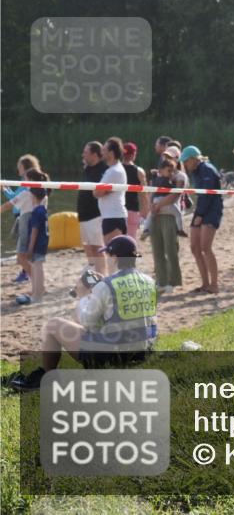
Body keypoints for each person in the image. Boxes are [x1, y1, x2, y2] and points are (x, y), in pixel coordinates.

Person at [11, 235, 156, 392]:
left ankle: (45, 378)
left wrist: (84, 297)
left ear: (114, 257)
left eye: (108, 256)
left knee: (52, 325)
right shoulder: (149, 281)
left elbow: (87, 323)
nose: (107, 260)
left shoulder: (107, 286)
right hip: (142, 352)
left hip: (114, 357)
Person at [180, 145, 223, 294]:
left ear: (193, 159)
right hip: (201, 209)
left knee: (206, 247)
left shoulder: (207, 170)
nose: (184, 164)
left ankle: (214, 284)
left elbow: (208, 196)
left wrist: (199, 215)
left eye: (186, 161)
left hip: (211, 210)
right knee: (194, 247)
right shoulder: (196, 171)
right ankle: (205, 283)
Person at [1, 155, 45, 285]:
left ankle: (28, 274)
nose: (17, 168)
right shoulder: (28, 184)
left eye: (19, 166)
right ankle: (29, 274)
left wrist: (4, 189)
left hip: (24, 216)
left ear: (25, 168)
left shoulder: (27, 185)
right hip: (23, 216)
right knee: (25, 247)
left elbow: (14, 199)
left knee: (23, 249)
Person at [12, 173, 50, 305]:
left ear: (33, 197)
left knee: (37, 268)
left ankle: (37, 295)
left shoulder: (36, 212)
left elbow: (34, 232)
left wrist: (30, 248)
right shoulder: (43, 210)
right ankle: (36, 291)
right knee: (37, 268)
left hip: (37, 245)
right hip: (43, 243)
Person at [147, 157, 184, 294]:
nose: (170, 171)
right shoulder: (157, 178)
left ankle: (172, 281)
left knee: (170, 249)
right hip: (156, 215)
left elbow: (174, 195)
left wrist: (158, 205)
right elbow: (152, 193)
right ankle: (161, 281)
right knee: (157, 249)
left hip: (168, 215)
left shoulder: (178, 177)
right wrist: (152, 206)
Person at [76, 141, 108, 274]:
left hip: (95, 215)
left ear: (95, 154)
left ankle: (101, 275)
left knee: (97, 248)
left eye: (86, 152)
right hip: (84, 215)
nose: (83, 155)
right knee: (88, 247)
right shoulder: (88, 168)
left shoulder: (103, 170)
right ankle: (94, 272)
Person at [93, 137, 128, 243]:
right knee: (115, 254)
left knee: (114, 254)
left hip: (113, 217)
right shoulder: (115, 170)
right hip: (113, 215)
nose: (101, 152)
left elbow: (97, 193)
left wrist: (99, 191)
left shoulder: (114, 171)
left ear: (111, 153)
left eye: (104, 150)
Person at [121, 142, 148, 239]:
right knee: (130, 239)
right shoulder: (139, 171)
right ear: (133, 155)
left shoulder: (116, 169)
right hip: (132, 208)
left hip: (118, 208)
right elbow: (144, 194)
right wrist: (145, 212)